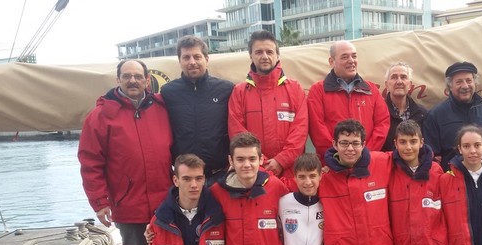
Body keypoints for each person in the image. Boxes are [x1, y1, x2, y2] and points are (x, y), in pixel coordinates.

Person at [78, 59, 172, 245]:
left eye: (138, 76)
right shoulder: (100, 116)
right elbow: (90, 161)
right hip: (128, 205)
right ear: (118, 80)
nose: (133, 81)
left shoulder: (162, 109)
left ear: (147, 80)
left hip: (164, 203)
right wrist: (100, 201)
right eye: (127, 76)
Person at [228, 30, 308, 178]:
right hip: (253, 172)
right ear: (251, 56)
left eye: (269, 52)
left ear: (277, 55)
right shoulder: (239, 92)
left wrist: (281, 160)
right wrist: (259, 161)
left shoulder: (295, 89)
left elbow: (300, 131)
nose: (264, 56)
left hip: (291, 171)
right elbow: (237, 132)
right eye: (258, 52)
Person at [162, 35, 235, 186]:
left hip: (219, 175)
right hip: (186, 178)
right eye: (186, 57)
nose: (192, 62)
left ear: (206, 59)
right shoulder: (168, 92)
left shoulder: (226, 89)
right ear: (180, 61)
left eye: (197, 56)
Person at [308, 40, 390, 162]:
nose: (351, 60)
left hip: (366, 162)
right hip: (331, 164)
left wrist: (364, 153)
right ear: (331, 61)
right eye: (345, 57)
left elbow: (382, 124)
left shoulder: (371, 90)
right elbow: (317, 128)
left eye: (354, 56)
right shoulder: (318, 91)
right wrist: (338, 156)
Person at [423, 62, 482, 170]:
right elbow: (432, 154)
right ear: (450, 86)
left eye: (469, 81)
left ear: (475, 83)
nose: (465, 86)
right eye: (459, 82)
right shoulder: (436, 115)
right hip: (452, 178)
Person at [381, 62, 428, 151]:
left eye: (403, 77)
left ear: (410, 85)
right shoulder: (378, 112)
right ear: (387, 84)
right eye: (394, 77)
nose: (399, 82)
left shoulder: (422, 113)